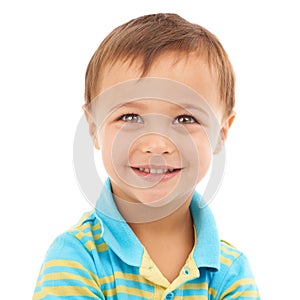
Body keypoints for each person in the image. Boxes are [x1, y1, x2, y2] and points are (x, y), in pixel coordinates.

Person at [33, 13, 260, 299]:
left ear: (221, 133)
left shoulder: (230, 272)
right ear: (93, 127)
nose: (156, 144)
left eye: (185, 119)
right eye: (130, 116)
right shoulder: (76, 258)